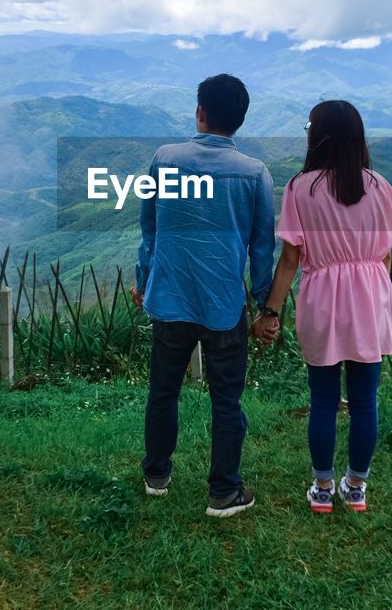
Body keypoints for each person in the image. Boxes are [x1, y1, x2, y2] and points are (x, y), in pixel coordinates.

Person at [132, 73, 279, 517]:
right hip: (224, 306)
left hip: (172, 298)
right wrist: (264, 306)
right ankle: (223, 492)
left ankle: (157, 474)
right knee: (226, 400)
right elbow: (261, 248)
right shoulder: (255, 174)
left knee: (163, 392)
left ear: (199, 112)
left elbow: (150, 229)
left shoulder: (164, 159)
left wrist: (144, 281)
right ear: (240, 121)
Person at [260, 100, 392, 513]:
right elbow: (386, 254)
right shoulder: (377, 185)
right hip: (370, 296)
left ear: (316, 135)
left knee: (324, 399)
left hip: (324, 296)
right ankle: (356, 486)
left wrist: (270, 312)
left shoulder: (301, 188)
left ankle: (322, 488)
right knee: (365, 401)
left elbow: (291, 259)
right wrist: (379, 296)